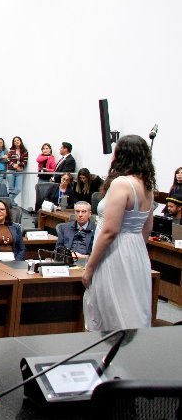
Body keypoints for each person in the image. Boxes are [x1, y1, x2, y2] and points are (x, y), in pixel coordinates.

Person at [83, 134, 156, 331]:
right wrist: (134, 253)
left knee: (113, 309)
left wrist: (89, 267)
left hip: (114, 252)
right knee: (132, 306)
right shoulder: (147, 185)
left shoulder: (122, 183)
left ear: (121, 155)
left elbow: (110, 231)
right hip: (136, 251)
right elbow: (147, 228)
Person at [6, 136, 28, 202]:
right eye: (15, 141)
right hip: (10, 170)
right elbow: (8, 159)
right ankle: (11, 203)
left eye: (17, 140)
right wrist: (13, 165)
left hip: (19, 170)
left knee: (18, 189)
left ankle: (8, 201)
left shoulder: (25, 151)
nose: (16, 142)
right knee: (11, 189)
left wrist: (19, 166)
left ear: (20, 141)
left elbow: (25, 161)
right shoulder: (11, 151)